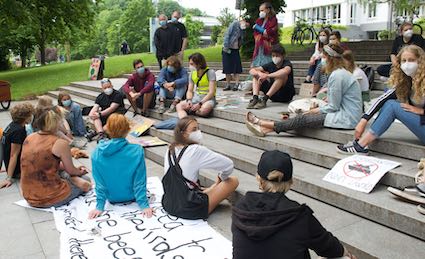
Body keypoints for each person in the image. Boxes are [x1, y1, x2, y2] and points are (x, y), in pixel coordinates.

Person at [232, 150, 356, 259]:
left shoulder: (240, 208)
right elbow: (330, 247)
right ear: (291, 182)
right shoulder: (299, 215)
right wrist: (346, 253)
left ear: (258, 178)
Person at [245, 44, 362, 137]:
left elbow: (333, 107)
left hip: (346, 118)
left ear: (331, 59)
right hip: (345, 114)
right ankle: (265, 129)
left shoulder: (338, 75)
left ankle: (261, 122)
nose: (322, 60)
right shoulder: (339, 73)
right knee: (303, 115)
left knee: (303, 118)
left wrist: (314, 111)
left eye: (324, 57)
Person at [338, 45, 425, 155]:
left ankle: (360, 145)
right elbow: (383, 99)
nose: (407, 64)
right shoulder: (406, 82)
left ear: (420, 61)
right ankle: (361, 144)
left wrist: (422, 111)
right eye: (404, 61)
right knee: (389, 103)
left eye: (411, 60)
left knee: (392, 106)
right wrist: (363, 120)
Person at [163, 116, 239, 218]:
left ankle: (211, 189)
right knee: (233, 181)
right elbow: (228, 165)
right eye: (194, 129)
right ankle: (213, 190)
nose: (198, 132)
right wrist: (221, 178)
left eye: (198, 128)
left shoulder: (170, 149)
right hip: (188, 208)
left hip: (168, 203)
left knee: (199, 186)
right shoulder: (195, 150)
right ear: (184, 134)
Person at [20, 107, 92, 208]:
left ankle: (72, 179)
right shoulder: (60, 143)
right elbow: (71, 170)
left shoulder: (29, 138)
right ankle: (73, 180)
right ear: (57, 123)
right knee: (86, 180)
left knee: (65, 172)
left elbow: (44, 164)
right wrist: (79, 172)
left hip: (29, 195)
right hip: (49, 197)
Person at [88, 114, 153, 219]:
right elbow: (139, 180)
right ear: (128, 130)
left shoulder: (97, 152)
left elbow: (99, 183)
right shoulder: (137, 150)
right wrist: (144, 205)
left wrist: (99, 206)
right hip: (132, 196)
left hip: (111, 197)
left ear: (107, 129)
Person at [247, 44, 295, 109]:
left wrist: (267, 75)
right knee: (256, 75)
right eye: (273, 56)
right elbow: (252, 70)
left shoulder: (286, 63)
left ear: (283, 56)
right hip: (273, 95)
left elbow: (286, 71)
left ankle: (264, 99)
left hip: (285, 95)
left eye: (277, 56)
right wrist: (259, 73)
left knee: (281, 76)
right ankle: (255, 98)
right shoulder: (270, 64)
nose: (275, 57)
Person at [0, 103, 34, 189]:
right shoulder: (18, 131)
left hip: (15, 166)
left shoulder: (13, 125)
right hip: (18, 170)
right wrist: (9, 178)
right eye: (30, 115)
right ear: (25, 117)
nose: (32, 116)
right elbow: (13, 155)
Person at [176, 53, 217, 118]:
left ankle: (192, 111)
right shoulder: (192, 74)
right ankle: (185, 121)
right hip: (196, 97)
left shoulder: (210, 72)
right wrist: (189, 100)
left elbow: (211, 92)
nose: (190, 66)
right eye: (189, 64)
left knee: (204, 111)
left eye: (192, 64)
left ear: (199, 64)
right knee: (179, 106)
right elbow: (189, 90)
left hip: (207, 99)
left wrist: (200, 103)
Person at [222, 17, 249, 91]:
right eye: (246, 23)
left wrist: (243, 29)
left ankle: (236, 84)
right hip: (227, 48)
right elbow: (227, 34)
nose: (246, 25)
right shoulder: (234, 24)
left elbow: (242, 38)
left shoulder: (242, 28)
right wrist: (226, 46)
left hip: (235, 49)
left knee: (236, 67)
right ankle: (228, 85)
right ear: (243, 21)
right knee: (227, 67)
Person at [252, 2, 279, 67]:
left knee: (267, 65)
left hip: (268, 47)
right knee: (257, 66)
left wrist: (261, 31)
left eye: (262, 10)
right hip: (259, 47)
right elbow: (255, 33)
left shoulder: (273, 20)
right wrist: (262, 33)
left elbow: (270, 32)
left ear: (268, 10)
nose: (261, 12)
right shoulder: (259, 20)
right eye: (260, 11)